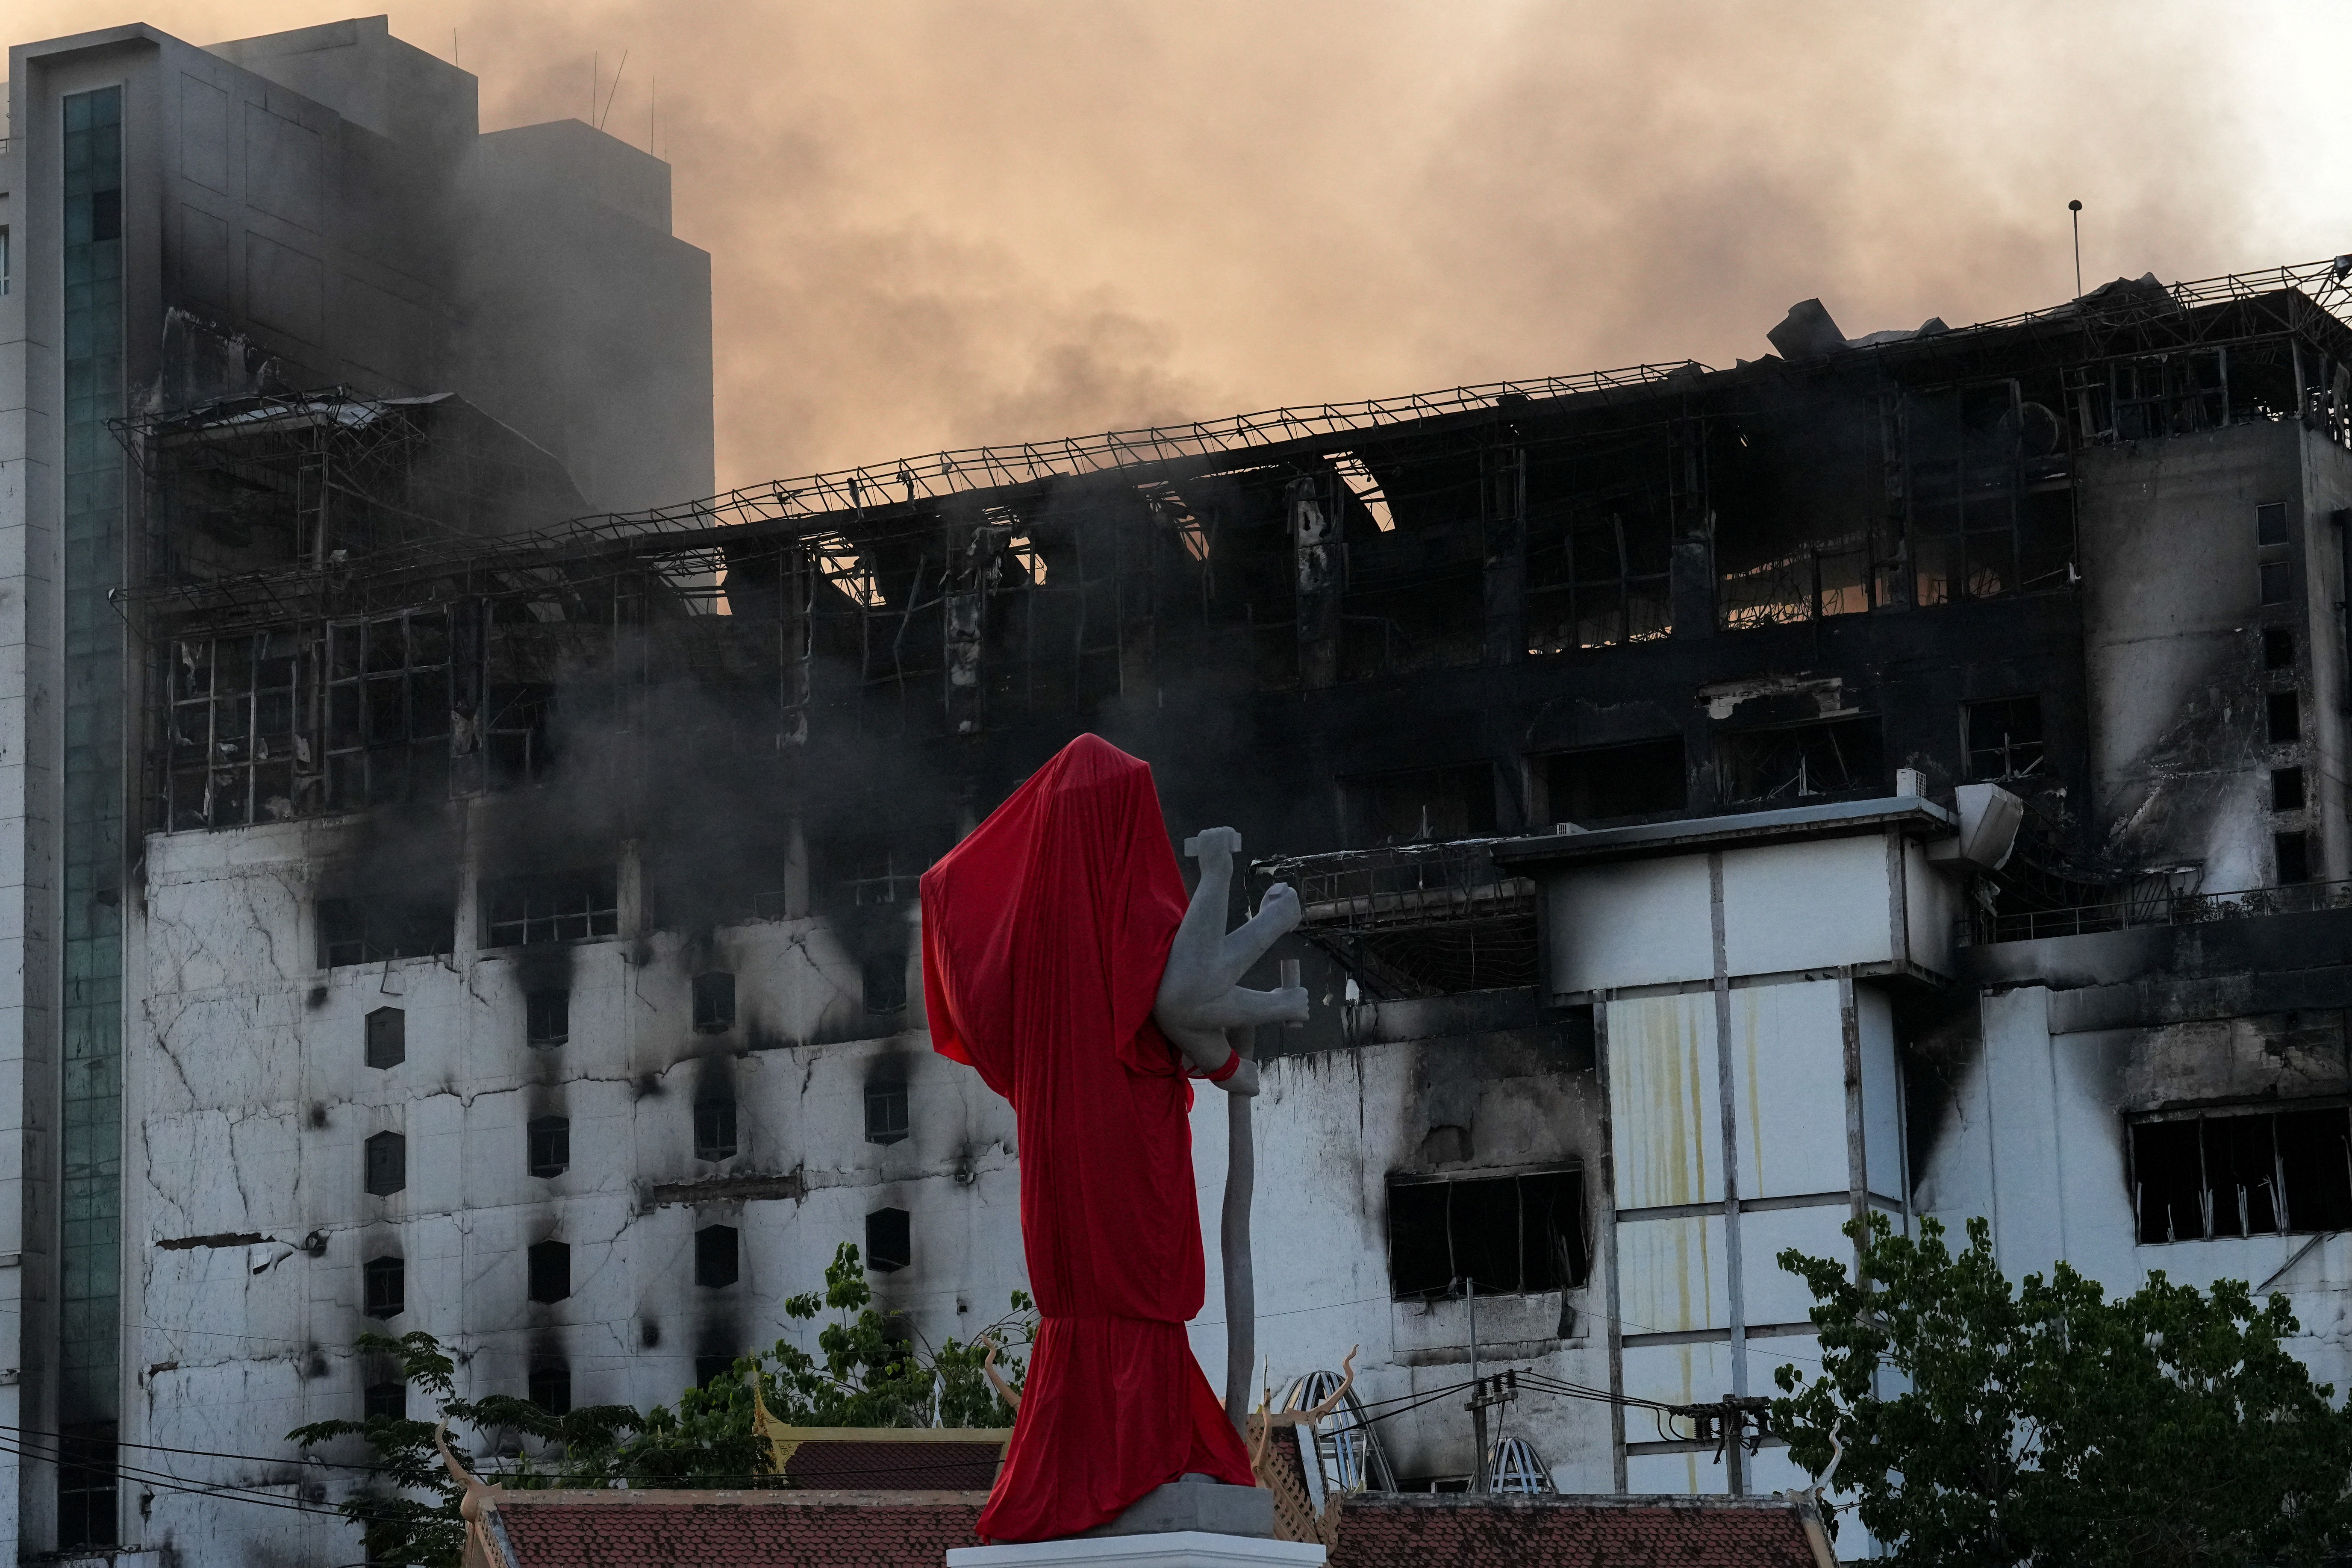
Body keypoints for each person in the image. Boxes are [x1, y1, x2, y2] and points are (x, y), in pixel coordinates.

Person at [920, 734, 1304, 1542]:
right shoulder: (1129, 899)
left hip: (1061, 1130)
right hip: (1128, 1127)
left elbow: (947, 892)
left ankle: (1093, 1446)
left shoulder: (1032, 949)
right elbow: (1180, 1001)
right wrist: (1233, 1060)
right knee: (1138, 1280)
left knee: (1094, 1283)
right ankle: (1149, 1443)